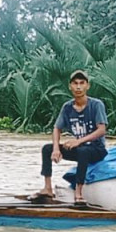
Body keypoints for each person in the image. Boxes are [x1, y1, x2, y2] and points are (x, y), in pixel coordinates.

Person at [37, 70, 108, 204]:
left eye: (82, 83)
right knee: (47, 149)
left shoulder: (96, 105)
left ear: (88, 86)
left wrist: (78, 141)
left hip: (96, 149)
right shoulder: (67, 107)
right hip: (79, 147)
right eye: (75, 83)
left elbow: (101, 130)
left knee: (83, 151)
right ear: (70, 86)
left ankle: (78, 192)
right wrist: (56, 149)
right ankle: (47, 188)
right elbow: (57, 128)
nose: (78, 87)